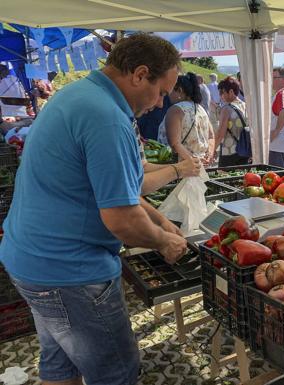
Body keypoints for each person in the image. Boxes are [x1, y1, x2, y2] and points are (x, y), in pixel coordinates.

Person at [0, 33, 188, 385]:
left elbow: (114, 191)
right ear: (139, 74)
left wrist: (160, 218)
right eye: (161, 90)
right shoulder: (106, 119)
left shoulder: (78, 96)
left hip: (32, 262)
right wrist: (164, 241)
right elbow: (120, 218)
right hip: (70, 273)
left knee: (60, 366)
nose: (162, 103)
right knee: (115, 374)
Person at [158, 72, 214, 165]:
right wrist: (209, 154)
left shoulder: (176, 110)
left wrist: (194, 162)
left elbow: (174, 144)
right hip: (202, 165)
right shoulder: (200, 109)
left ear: (179, 90)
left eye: (172, 90)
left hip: (182, 167)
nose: (169, 94)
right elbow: (211, 136)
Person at [215, 76, 250, 167]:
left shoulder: (227, 109)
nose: (220, 96)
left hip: (229, 151)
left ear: (230, 91)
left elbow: (220, 134)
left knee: (224, 179)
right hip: (244, 150)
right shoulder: (245, 106)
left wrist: (213, 149)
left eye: (221, 92)